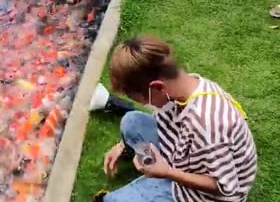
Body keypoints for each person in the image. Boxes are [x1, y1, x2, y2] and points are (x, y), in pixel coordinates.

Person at [94, 35, 257, 202]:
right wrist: (123, 145)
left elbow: (225, 189)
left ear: (157, 87)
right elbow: (165, 121)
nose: (145, 104)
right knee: (132, 121)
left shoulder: (207, 123)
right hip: (181, 155)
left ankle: (158, 177)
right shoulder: (184, 85)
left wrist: (168, 173)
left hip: (206, 193)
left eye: (142, 99)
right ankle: (152, 169)